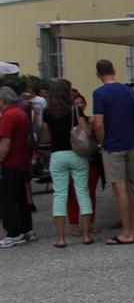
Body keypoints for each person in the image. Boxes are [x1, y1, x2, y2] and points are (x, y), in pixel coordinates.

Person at [92, 59, 134, 245]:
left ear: (98, 74)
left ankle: (126, 232)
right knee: (130, 186)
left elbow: (98, 123)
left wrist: (101, 142)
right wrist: (128, 125)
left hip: (113, 145)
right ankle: (132, 229)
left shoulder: (99, 93)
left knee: (119, 187)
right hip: (132, 142)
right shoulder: (129, 91)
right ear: (114, 70)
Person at [41, 79, 95, 247]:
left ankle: (60, 238)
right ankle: (86, 235)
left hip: (57, 155)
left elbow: (46, 136)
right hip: (76, 154)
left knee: (59, 195)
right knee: (82, 193)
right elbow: (86, 131)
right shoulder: (76, 110)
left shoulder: (47, 112)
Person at [0, 85, 35, 247]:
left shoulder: (7, 116)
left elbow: (5, 141)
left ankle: (14, 232)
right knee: (20, 196)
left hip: (10, 161)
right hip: (22, 159)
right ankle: (26, 229)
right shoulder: (21, 113)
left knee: (8, 198)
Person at [67, 90, 102, 238]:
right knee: (73, 193)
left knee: (90, 192)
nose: (80, 105)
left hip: (90, 160)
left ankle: (89, 222)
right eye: (77, 104)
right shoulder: (69, 120)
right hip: (77, 159)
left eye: (81, 103)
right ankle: (75, 224)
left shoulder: (91, 119)